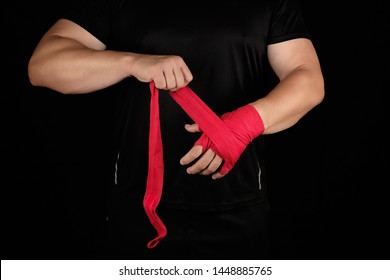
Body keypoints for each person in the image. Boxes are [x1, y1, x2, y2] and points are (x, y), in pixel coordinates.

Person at [27, 0, 324, 259]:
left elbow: (308, 78)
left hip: (238, 208)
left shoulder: (270, 2)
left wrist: (242, 125)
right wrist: (130, 62)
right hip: (138, 211)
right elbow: (43, 65)